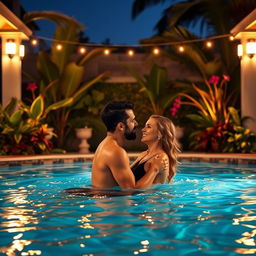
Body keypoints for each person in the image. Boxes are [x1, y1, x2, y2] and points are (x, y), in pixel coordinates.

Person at [92, 101, 164, 189]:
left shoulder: (104, 145)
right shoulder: (116, 152)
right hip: (112, 202)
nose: (136, 123)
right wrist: (155, 169)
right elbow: (132, 191)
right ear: (121, 126)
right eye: (132, 120)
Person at [131, 115, 180, 184]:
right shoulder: (143, 154)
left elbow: (139, 190)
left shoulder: (161, 158)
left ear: (160, 134)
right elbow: (126, 175)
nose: (143, 129)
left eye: (148, 126)